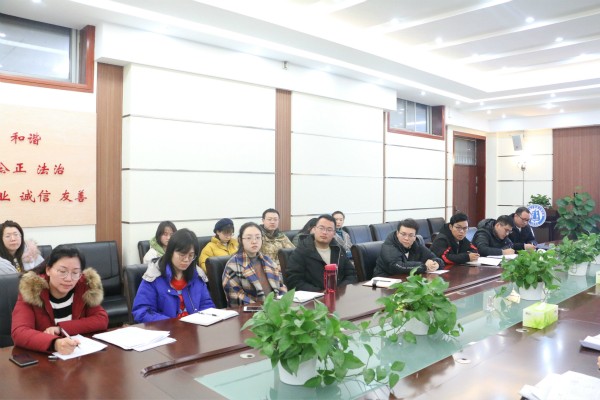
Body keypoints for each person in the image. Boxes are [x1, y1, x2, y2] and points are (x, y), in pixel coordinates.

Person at [11, 245, 108, 355]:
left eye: (75, 273)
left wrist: (61, 328)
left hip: (77, 355)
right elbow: (19, 332)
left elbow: (101, 319)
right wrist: (55, 343)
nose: (69, 279)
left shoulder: (84, 287)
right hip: (44, 358)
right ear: (48, 270)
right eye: (62, 271)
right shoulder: (32, 291)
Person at [132, 228, 214, 323]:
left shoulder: (197, 276)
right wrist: (172, 323)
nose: (187, 260)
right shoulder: (153, 276)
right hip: (165, 329)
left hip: (194, 328)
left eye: (191, 255)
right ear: (170, 252)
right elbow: (142, 312)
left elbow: (207, 305)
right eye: (182, 254)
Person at [285, 214, 357, 291]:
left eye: (329, 230)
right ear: (314, 229)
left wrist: (339, 290)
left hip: (339, 295)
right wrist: (320, 292)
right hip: (315, 296)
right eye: (321, 228)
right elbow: (293, 280)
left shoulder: (339, 249)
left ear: (334, 233)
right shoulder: (302, 251)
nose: (324, 232)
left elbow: (351, 274)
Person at [222, 222, 287, 306]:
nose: (254, 241)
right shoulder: (233, 265)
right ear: (240, 240)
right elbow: (235, 297)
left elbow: (281, 286)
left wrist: (282, 301)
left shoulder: (268, 261)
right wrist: (261, 308)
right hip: (251, 311)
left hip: (275, 308)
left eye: (258, 237)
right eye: (249, 238)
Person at [374, 218, 444, 277]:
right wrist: (424, 267)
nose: (406, 238)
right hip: (385, 282)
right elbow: (397, 266)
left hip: (406, 280)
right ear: (397, 233)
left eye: (410, 235)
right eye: (403, 234)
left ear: (415, 237)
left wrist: (436, 264)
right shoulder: (389, 246)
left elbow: (435, 258)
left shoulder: (416, 245)